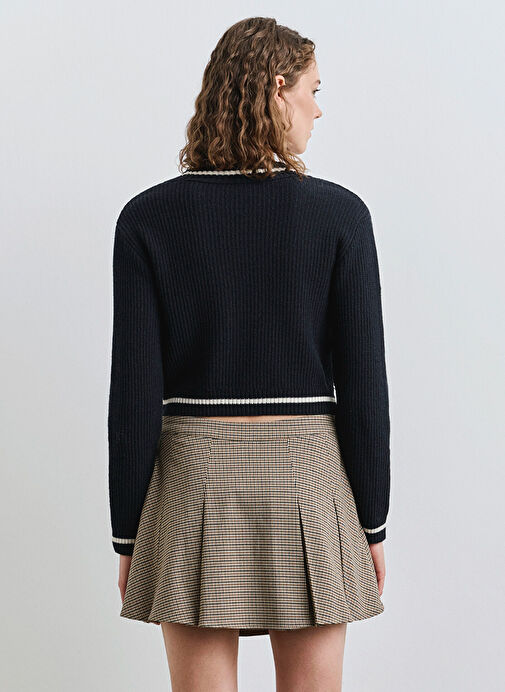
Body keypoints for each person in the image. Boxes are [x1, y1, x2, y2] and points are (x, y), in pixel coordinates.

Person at [108, 16, 390, 692]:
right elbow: (364, 390)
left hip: (190, 482)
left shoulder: (147, 218)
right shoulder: (340, 216)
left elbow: (135, 397)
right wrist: (373, 523)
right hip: (309, 479)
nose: (318, 109)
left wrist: (127, 535)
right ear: (277, 87)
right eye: (314, 90)